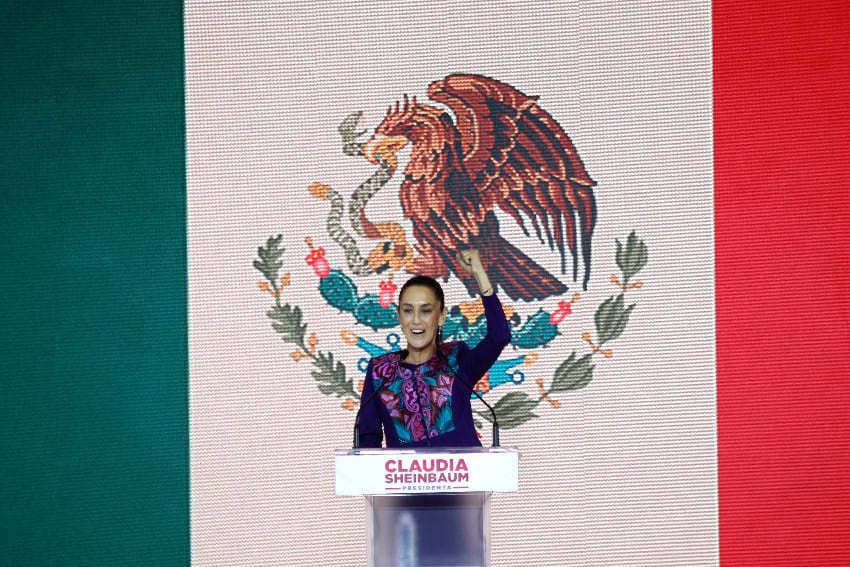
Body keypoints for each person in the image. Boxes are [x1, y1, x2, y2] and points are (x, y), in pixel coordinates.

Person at [357, 249, 511, 448]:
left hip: (465, 476)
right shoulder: (380, 371)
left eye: (426, 311)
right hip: (403, 477)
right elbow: (368, 438)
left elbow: (499, 336)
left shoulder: (456, 360)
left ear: (441, 316)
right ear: (399, 316)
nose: (416, 320)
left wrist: (480, 275)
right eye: (408, 311)